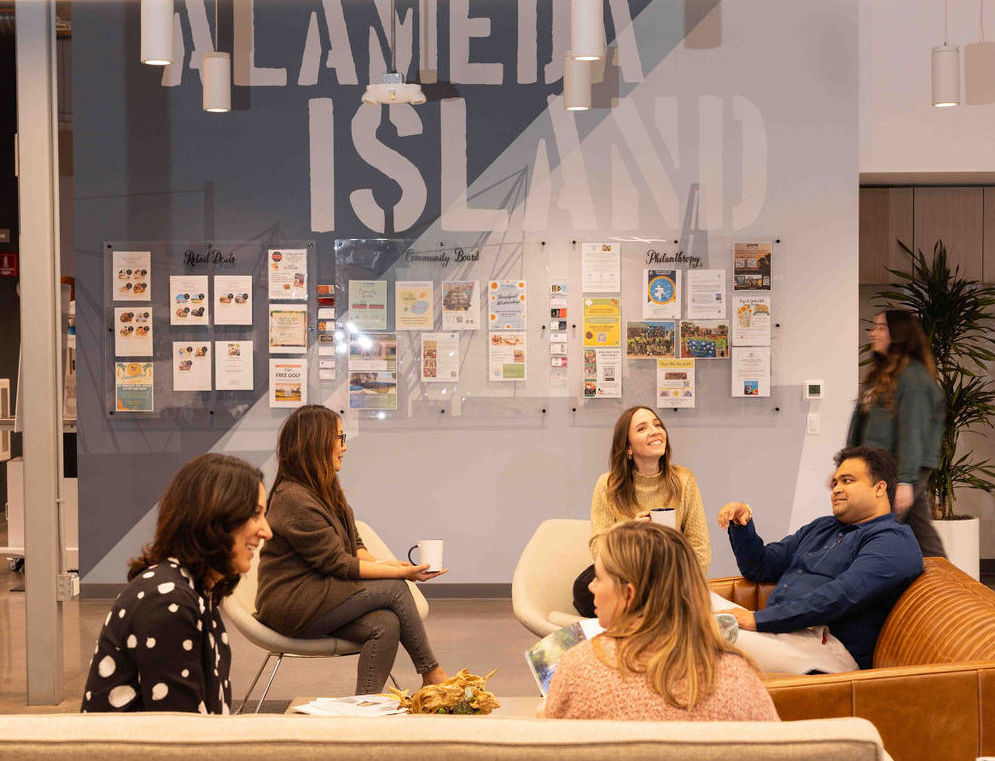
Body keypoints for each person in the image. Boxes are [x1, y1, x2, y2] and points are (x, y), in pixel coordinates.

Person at [255, 405, 447, 694]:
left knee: (386, 624)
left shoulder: (326, 489)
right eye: (340, 438)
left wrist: (397, 567)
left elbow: (355, 548)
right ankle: (433, 673)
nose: (345, 447)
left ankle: (363, 709)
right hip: (292, 603)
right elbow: (339, 564)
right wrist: (400, 574)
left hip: (322, 594)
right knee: (394, 589)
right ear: (316, 443)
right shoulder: (293, 499)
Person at [82, 453, 272, 713]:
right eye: (255, 515)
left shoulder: (190, 592)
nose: (266, 531)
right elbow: (181, 738)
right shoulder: (169, 601)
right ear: (215, 517)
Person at [715, 446, 923, 674]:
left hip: (827, 649)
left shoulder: (892, 540)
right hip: (782, 632)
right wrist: (741, 524)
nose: (837, 490)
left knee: (698, 634)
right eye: (835, 483)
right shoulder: (823, 527)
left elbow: (841, 596)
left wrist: (757, 620)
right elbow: (759, 566)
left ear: (879, 488)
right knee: (683, 596)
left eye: (847, 481)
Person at [544, 522, 777, 721]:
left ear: (629, 594)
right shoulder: (737, 679)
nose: (591, 586)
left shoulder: (579, 667)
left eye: (598, 578)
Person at [573, 406, 710, 617]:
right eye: (642, 428)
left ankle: (648, 609)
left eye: (657, 425)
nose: (655, 431)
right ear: (628, 447)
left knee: (669, 592)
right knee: (583, 588)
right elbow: (598, 546)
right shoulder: (607, 485)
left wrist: (686, 584)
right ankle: (647, 611)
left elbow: (699, 546)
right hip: (625, 572)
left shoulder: (684, 480)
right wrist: (628, 532)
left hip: (669, 572)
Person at [847, 309, 946, 557]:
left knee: (878, 532)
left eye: (881, 327)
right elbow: (861, 425)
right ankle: (946, 588)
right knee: (923, 535)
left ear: (898, 334)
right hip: (885, 466)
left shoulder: (913, 378)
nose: (873, 333)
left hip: (900, 469)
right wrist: (848, 465)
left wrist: (904, 480)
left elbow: (912, 433)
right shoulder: (882, 375)